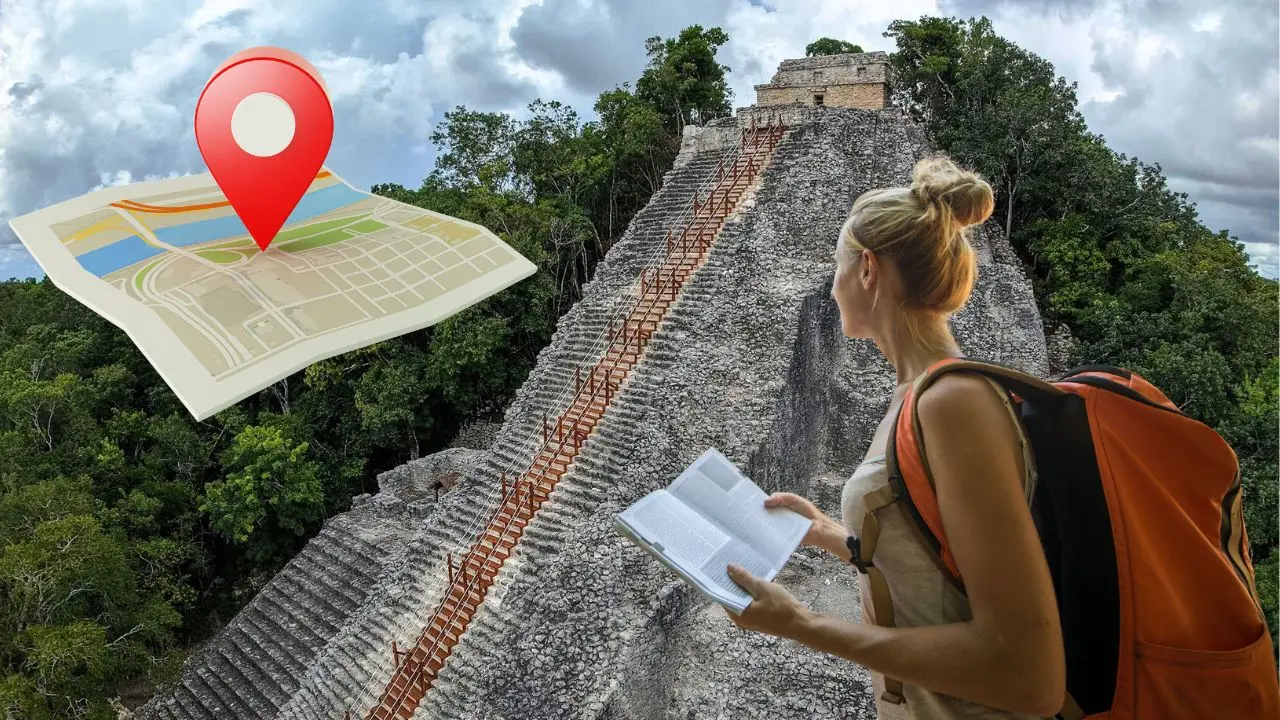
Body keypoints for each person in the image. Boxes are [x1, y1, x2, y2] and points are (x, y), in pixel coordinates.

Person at [724, 155, 1066, 718]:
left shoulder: (953, 404)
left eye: (835, 268)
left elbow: (1029, 675)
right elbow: (936, 567)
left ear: (867, 270)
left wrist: (805, 626)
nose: (832, 289)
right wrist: (831, 534)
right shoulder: (914, 393)